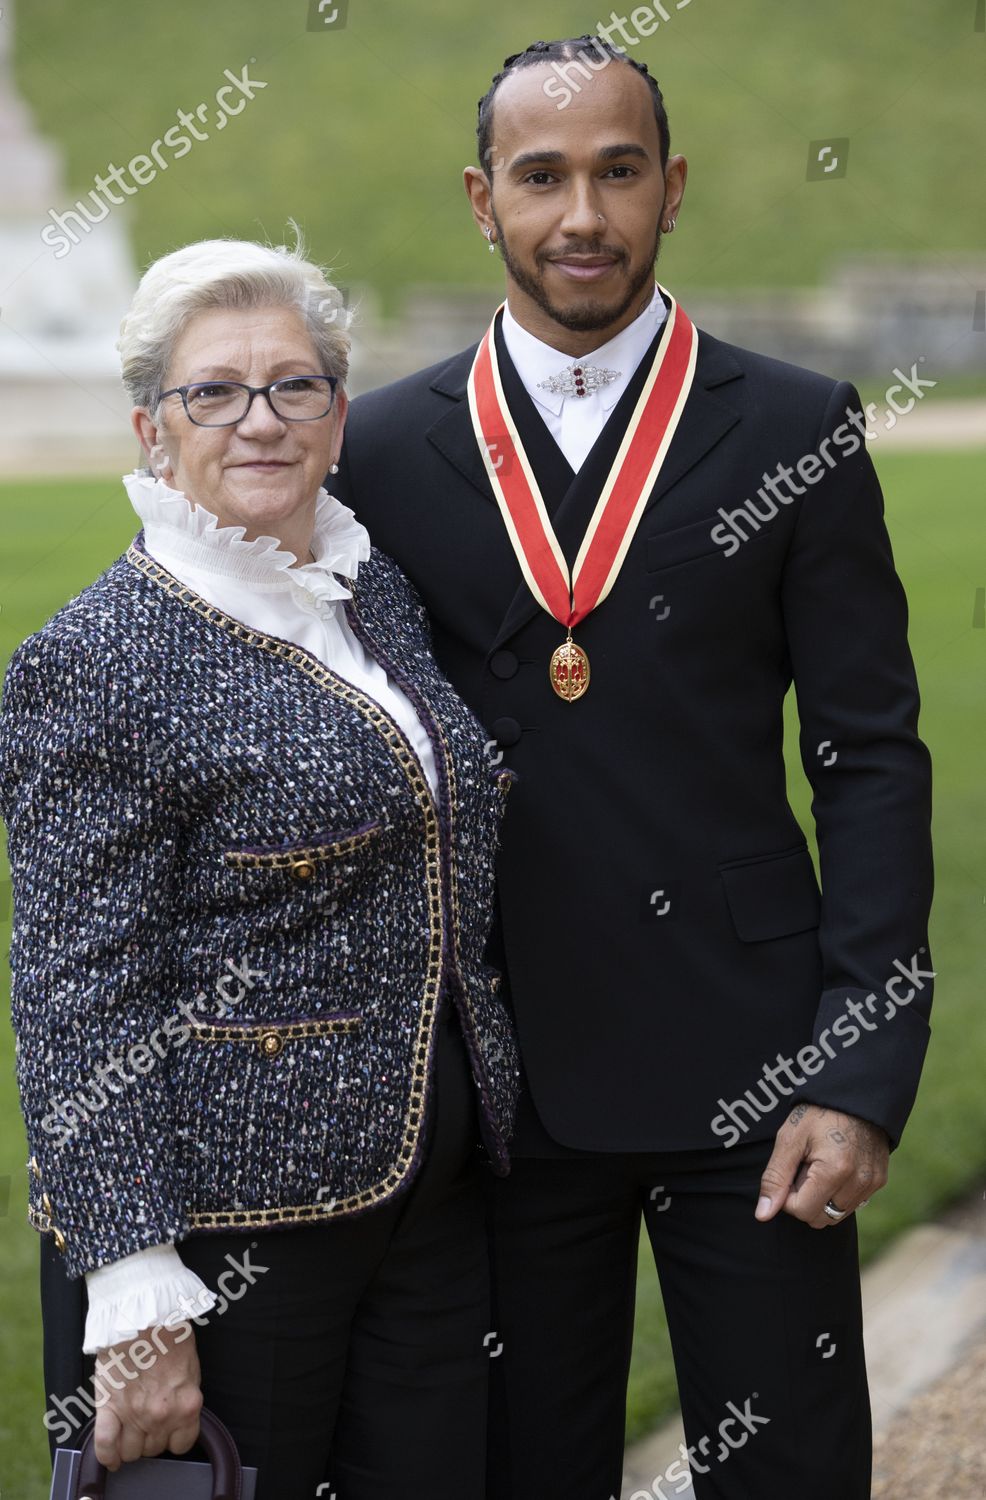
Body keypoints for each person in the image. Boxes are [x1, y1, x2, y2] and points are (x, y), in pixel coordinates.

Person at [329, 37, 935, 1499]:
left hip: (763, 1072)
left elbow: (867, 761)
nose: (581, 215)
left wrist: (856, 1069)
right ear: (482, 200)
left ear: (673, 188)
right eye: (541, 177)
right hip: (502, 1079)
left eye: (616, 173)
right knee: (528, 1466)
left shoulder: (795, 426)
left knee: (787, 1471)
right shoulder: (383, 449)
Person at [0, 234, 519, 1500]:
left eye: (294, 386)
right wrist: (137, 1299)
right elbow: (76, 998)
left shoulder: (364, 591)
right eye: (213, 392)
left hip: (429, 1198)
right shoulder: (98, 659)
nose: (259, 420)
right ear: (150, 429)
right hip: (237, 1236)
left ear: (338, 416)